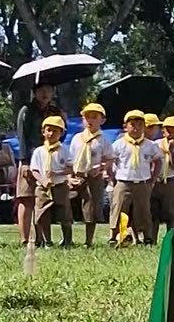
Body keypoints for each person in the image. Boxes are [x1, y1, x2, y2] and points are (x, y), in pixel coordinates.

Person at [15, 81, 61, 246]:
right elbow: (21, 137)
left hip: (47, 159)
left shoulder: (55, 111)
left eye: (48, 90)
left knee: (42, 200)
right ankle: (25, 238)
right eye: (41, 90)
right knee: (26, 198)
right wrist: (25, 161)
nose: (45, 94)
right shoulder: (26, 111)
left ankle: (42, 238)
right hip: (29, 158)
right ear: (34, 92)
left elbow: (62, 133)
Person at [109, 110, 162, 246]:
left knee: (143, 210)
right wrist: (112, 177)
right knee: (120, 209)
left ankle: (147, 237)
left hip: (142, 182)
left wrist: (153, 178)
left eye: (139, 124)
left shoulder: (150, 145)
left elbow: (158, 160)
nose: (136, 128)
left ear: (144, 127)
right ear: (125, 126)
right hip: (123, 181)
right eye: (132, 124)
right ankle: (116, 236)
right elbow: (110, 160)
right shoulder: (119, 144)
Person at [69, 102, 113, 248]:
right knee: (68, 207)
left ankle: (88, 240)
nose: (90, 120)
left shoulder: (103, 140)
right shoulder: (76, 138)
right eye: (87, 117)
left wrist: (102, 167)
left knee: (91, 208)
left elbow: (109, 158)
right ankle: (67, 238)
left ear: (102, 120)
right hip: (77, 175)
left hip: (93, 176)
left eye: (94, 117)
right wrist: (70, 176)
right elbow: (70, 159)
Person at [29, 115, 73, 247]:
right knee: (42, 214)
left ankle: (67, 240)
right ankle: (46, 240)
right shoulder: (38, 151)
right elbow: (34, 170)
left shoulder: (64, 150)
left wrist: (57, 173)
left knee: (64, 214)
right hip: (42, 188)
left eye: (56, 131)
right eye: (49, 130)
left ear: (61, 133)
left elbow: (70, 168)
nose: (51, 133)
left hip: (60, 186)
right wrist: (42, 181)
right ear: (43, 132)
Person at [151, 116, 174, 242]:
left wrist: (170, 151)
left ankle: (171, 240)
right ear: (163, 131)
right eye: (169, 130)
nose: (171, 134)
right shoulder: (155, 145)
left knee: (172, 214)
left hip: (170, 181)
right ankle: (152, 239)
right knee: (153, 212)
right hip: (156, 180)